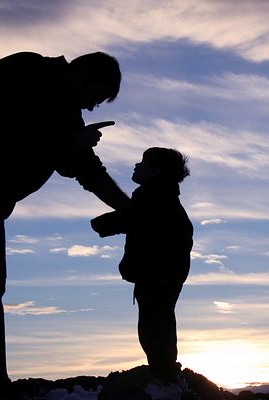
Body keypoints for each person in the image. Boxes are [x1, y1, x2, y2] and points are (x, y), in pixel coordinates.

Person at [0, 51, 130, 400]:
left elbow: (89, 171)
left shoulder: (67, 116)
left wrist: (132, 210)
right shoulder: (25, 69)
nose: (92, 107)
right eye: (94, 96)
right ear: (81, 74)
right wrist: (69, 142)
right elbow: (0, 126)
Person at [91, 147, 193, 384]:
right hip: (163, 274)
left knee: (154, 326)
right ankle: (165, 373)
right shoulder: (160, 197)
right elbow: (137, 219)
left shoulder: (154, 197)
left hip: (157, 274)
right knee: (159, 323)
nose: (136, 165)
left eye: (143, 162)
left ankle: (165, 378)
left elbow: (132, 218)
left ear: (155, 171)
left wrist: (98, 224)